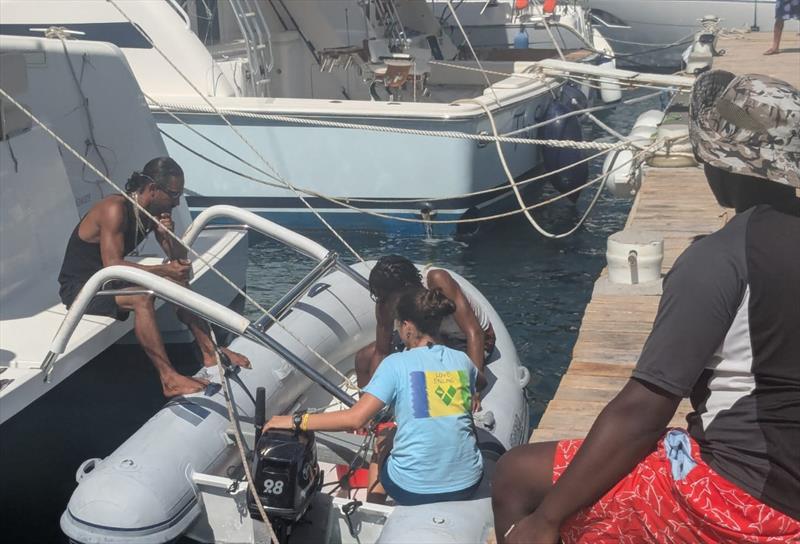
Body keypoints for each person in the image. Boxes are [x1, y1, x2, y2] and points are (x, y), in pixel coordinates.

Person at [491, 70, 800, 543]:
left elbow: (643, 411)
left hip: (752, 503)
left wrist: (546, 520)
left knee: (517, 474)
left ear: (723, 162)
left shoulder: (720, 258)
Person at [264, 287, 484, 506]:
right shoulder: (462, 361)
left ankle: (373, 507)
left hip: (413, 488)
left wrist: (295, 420)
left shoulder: (396, 364)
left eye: (399, 325)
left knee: (383, 437)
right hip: (468, 483)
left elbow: (355, 419)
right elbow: (480, 380)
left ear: (407, 327)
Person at [57, 157, 250, 397]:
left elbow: (178, 259)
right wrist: (163, 271)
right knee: (142, 298)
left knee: (177, 281)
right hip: (82, 289)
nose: (177, 202)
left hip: (110, 281)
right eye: (173, 194)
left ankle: (210, 352)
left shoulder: (153, 211)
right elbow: (112, 265)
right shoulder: (114, 209)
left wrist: (167, 234)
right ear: (152, 189)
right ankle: (168, 379)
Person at [354, 255, 495, 396]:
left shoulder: (436, 280)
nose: (383, 302)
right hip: (429, 335)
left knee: (428, 370)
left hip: (465, 339)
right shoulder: (385, 303)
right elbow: (381, 351)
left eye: (386, 297)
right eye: (380, 297)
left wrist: (473, 392)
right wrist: (372, 396)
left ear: (406, 288)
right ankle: (370, 413)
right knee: (364, 357)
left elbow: (474, 332)